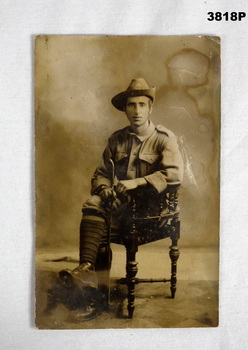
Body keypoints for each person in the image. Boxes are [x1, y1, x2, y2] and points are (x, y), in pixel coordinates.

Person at [59, 77, 183, 293]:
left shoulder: (164, 139)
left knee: (98, 224)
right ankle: (88, 271)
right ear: (125, 109)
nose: (137, 111)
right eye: (131, 105)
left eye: (142, 105)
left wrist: (138, 182)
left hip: (153, 212)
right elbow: (102, 173)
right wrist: (104, 188)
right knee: (94, 203)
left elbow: (174, 176)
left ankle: (92, 280)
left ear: (150, 108)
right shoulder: (117, 140)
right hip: (123, 208)